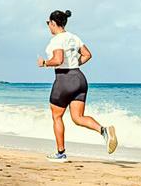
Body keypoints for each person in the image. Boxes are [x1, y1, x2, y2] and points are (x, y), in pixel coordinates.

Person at [37, 10, 117, 162]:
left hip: (64, 79)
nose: (48, 26)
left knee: (56, 116)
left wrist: (44, 63)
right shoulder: (74, 37)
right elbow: (87, 54)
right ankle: (103, 130)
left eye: (49, 23)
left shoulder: (56, 40)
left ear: (54, 23)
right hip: (79, 78)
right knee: (78, 117)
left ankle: (61, 153)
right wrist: (74, 65)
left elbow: (58, 60)